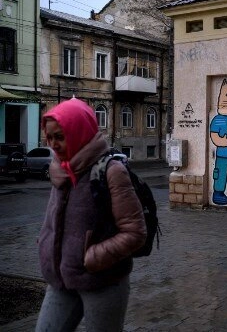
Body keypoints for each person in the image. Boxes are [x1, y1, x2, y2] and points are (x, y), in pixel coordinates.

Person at [35, 98, 147, 332]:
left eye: (60, 137)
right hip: (60, 278)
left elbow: (135, 232)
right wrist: (45, 244)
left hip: (102, 281)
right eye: (50, 137)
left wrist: (94, 257)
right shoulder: (60, 169)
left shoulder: (111, 171)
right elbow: (52, 220)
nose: (53, 144)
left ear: (78, 132)